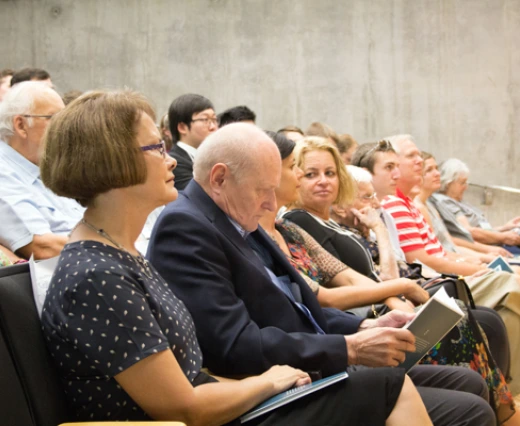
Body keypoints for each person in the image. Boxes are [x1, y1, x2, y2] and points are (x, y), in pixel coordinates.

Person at [40, 89, 423, 426]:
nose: (172, 159)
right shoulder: (97, 275)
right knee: (390, 386)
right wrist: (268, 381)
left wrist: (282, 378)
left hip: (227, 404)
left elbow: (192, 375)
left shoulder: (118, 256)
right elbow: (186, 408)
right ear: (112, 161)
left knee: (403, 386)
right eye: (156, 147)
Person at [148, 123, 497, 426]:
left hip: (315, 361)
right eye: (263, 189)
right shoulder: (187, 226)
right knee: (467, 410)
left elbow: (298, 306)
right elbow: (235, 345)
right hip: (281, 384)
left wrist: (362, 327)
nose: (272, 203)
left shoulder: (233, 213)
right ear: (220, 178)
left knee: (469, 383)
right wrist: (349, 348)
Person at [379, 134, 520, 410]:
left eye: (424, 159)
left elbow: (445, 250)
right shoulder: (394, 205)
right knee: (514, 281)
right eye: (410, 158)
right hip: (432, 283)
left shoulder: (410, 204)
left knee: (508, 313)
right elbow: (426, 260)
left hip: (436, 277)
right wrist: (478, 265)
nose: (420, 163)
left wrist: (479, 263)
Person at [259, 131, 427, 315]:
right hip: (340, 324)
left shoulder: (287, 228)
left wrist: (394, 297)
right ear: (269, 176)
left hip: (358, 315)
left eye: (330, 173)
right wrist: (400, 288)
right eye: (307, 173)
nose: (299, 174)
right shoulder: (292, 221)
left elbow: (347, 276)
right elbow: (323, 297)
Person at [433, 158, 520, 313]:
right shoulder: (442, 203)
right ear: (448, 182)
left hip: (478, 250)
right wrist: (497, 242)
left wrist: (504, 229)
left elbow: (475, 230)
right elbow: (469, 233)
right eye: (462, 182)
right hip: (475, 251)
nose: (466, 186)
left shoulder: (459, 202)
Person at [0, 81, 83, 259]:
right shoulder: (3, 172)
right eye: (56, 119)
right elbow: (42, 246)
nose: (65, 128)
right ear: (21, 125)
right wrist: (115, 249)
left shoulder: (42, 165)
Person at [167, 93, 218, 190]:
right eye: (205, 119)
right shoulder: (175, 163)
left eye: (214, 119)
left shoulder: (213, 156)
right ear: (182, 127)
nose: (213, 127)